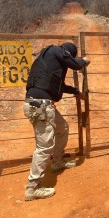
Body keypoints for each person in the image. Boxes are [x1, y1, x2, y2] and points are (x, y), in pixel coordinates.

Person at [23, 42, 90, 201]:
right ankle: (32, 187)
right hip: (40, 105)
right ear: (67, 53)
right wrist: (84, 61)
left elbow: (58, 86)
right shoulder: (57, 50)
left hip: (39, 103)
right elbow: (75, 65)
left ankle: (57, 161)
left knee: (63, 128)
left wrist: (75, 91)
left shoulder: (47, 61)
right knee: (44, 147)